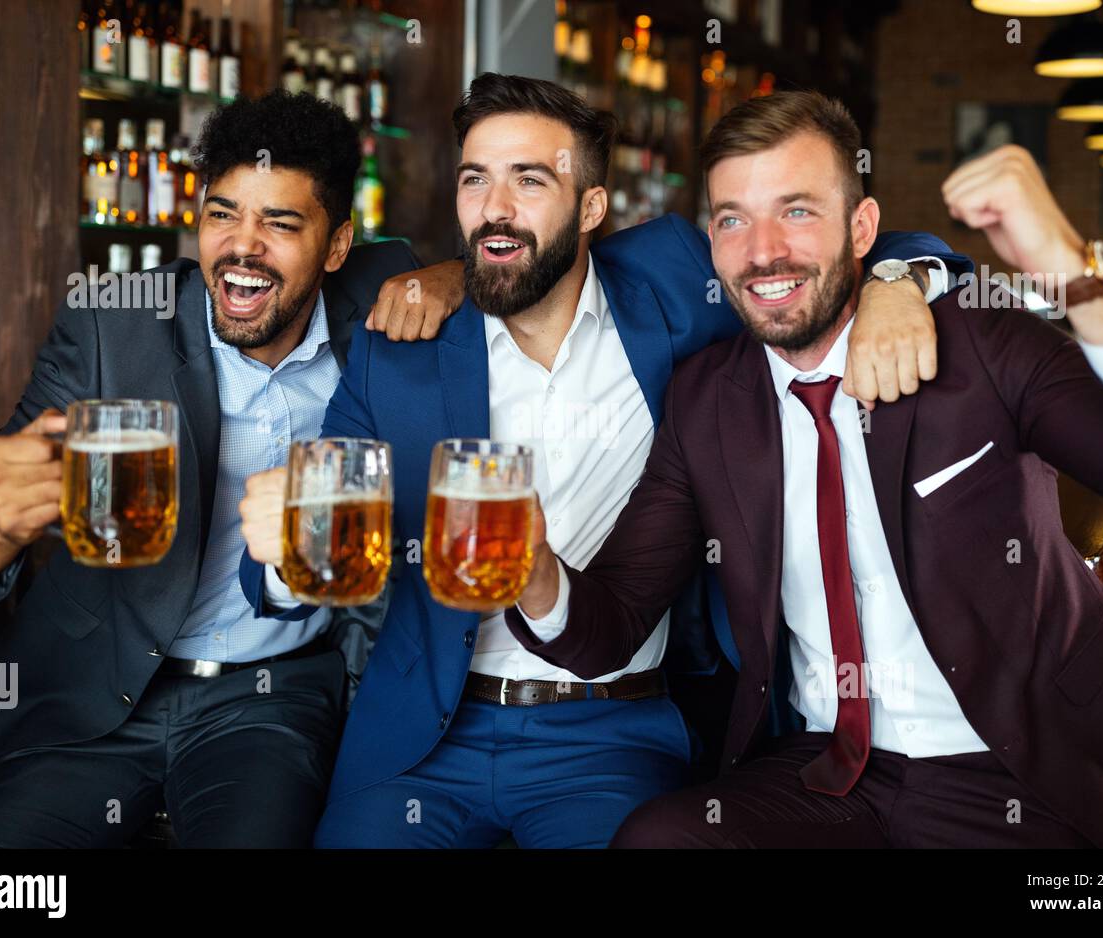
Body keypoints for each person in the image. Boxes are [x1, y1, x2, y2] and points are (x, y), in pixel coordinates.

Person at [237, 73, 972, 848]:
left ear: (591, 207)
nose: (496, 206)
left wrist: (897, 283)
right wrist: (293, 548)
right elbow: (280, 571)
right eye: (476, 179)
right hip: (425, 740)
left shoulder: (676, 284)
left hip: (612, 732)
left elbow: (825, 250)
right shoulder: (401, 351)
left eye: (530, 180)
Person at [507, 90, 1103, 848]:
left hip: (1030, 770)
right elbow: (609, 626)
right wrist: (535, 576)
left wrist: (1071, 275)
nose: (762, 251)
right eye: (732, 220)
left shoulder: (980, 347)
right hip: (829, 775)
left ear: (863, 229)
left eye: (798, 211)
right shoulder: (707, 401)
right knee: (662, 840)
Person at [0, 90, 454, 848]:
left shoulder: (381, 295)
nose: (243, 246)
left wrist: (453, 278)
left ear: (337, 248)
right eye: (222, 213)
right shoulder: (114, 321)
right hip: (89, 701)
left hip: (270, 703)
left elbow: (504, 258)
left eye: (280, 223)